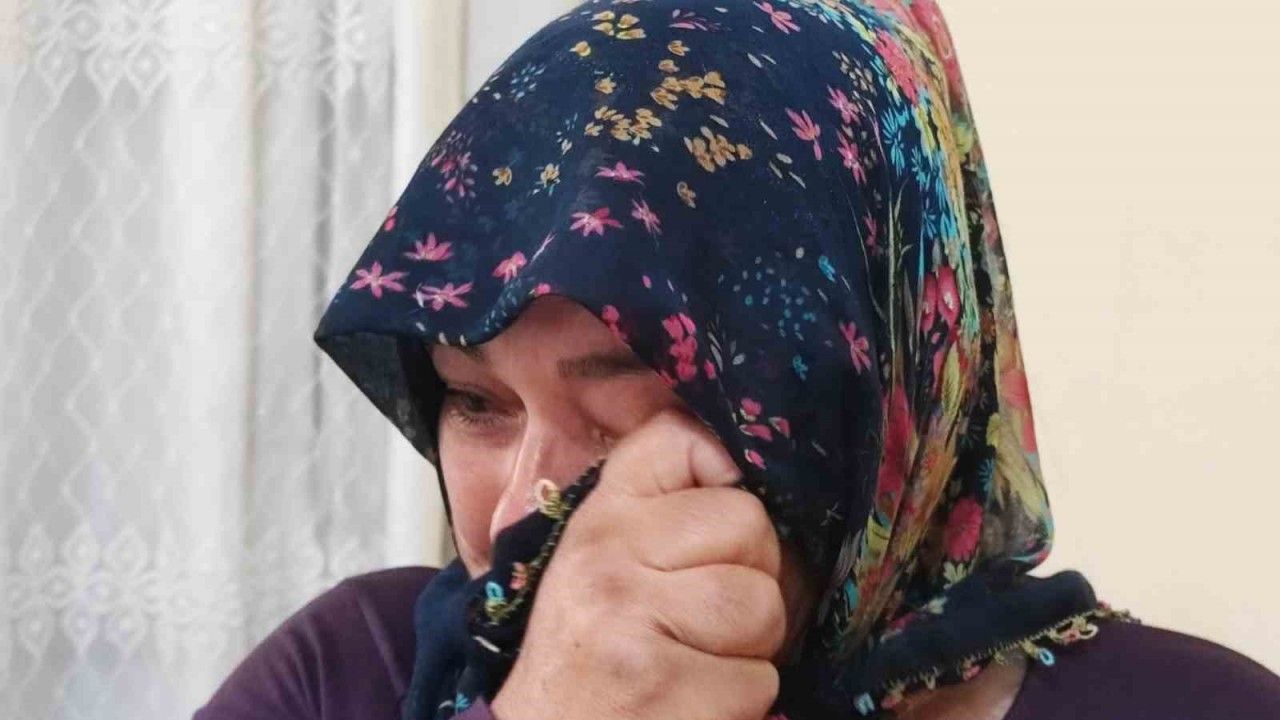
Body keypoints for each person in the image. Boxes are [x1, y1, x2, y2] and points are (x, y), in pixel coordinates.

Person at [195, 1, 1280, 718]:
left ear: (859, 404)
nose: (518, 504)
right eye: (476, 404)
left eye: (623, 407)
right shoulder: (349, 673)